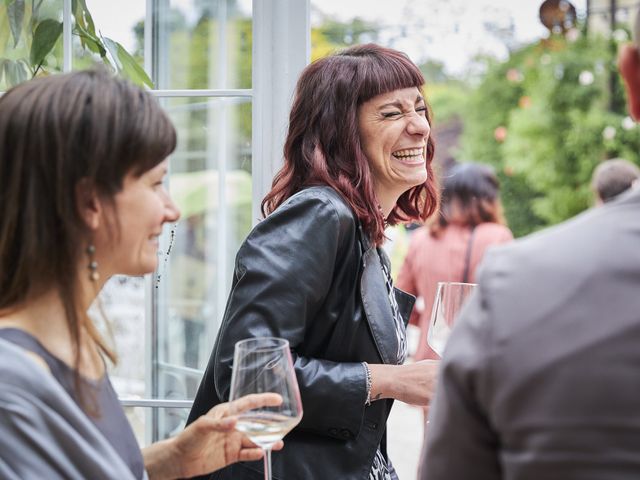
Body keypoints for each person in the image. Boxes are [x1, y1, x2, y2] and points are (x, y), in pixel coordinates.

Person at [0, 70, 283, 480]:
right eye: (156, 184)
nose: (172, 210)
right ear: (90, 202)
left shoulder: (71, 341)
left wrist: (169, 459)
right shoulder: (14, 385)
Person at [187, 43, 441, 480]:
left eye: (419, 109)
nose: (419, 127)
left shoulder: (363, 233)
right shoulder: (320, 215)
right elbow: (247, 371)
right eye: (391, 113)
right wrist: (392, 380)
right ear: (342, 131)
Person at [419, 25, 640, 480]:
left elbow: (404, 304)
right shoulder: (500, 243)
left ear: (631, 79)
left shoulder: (510, 271)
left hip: (440, 370)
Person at [396, 162, 513, 362]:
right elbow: (510, 305)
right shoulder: (498, 237)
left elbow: (400, 302)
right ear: (489, 198)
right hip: (480, 358)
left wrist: (429, 321)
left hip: (429, 357)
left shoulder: (421, 239)